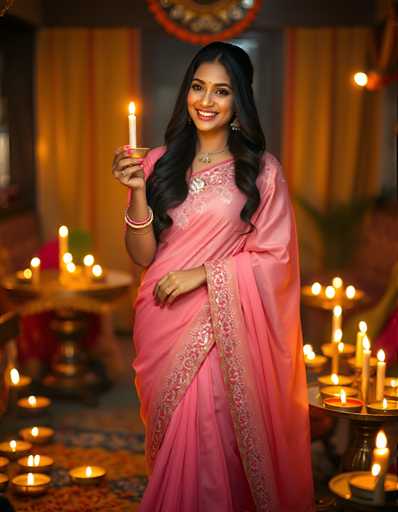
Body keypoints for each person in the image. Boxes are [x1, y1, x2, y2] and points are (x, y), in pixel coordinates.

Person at [113, 42, 314, 512]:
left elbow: (276, 258)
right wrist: (138, 192)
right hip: (159, 317)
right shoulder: (158, 161)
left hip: (220, 325)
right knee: (173, 447)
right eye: (198, 87)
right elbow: (143, 254)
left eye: (221, 91)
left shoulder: (261, 171)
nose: (206, 100)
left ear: (238, 101)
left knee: (210, 438)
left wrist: (203, 274)